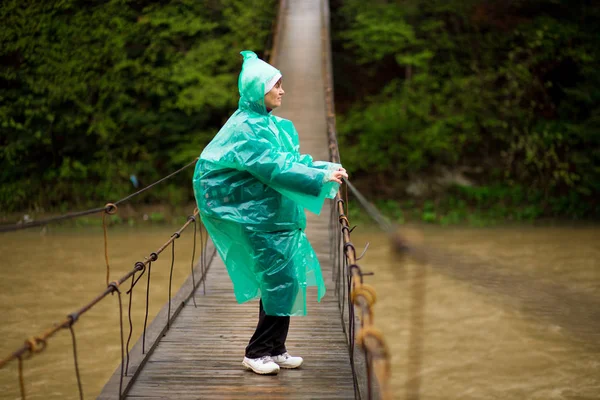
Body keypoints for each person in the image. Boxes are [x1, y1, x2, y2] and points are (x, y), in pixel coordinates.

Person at [192, 50, 347, 375]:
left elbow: (289, 161)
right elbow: (274, 168)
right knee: (278, 281)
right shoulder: (247, 128)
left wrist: (323, 167)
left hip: (271, 215)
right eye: (276, 84)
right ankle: (257, 352)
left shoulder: (266, 124)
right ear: (255, 89)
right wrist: (319, 177)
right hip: (258, 219)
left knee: (286, 281)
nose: (282, 90)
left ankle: (276, 348)